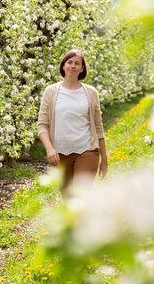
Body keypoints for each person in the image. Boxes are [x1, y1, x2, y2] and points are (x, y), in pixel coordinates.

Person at [37, 49, 107, 195]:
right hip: (60, 153)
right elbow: (42, 125)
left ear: (82, 68)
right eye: (69, 62)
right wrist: (50, 149)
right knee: (68, 199)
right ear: (63, 66)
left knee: (81, 195)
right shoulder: (50, 92)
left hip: (87, 149)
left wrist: (104, 159)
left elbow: (99, 127)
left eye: (77, 63)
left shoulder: (91, 92)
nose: (73, 66)